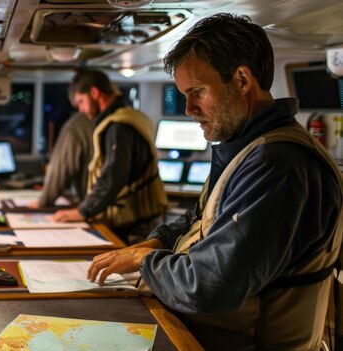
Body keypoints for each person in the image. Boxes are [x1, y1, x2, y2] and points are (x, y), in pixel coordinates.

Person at [86, 13, 343, 350]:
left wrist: (143, 262)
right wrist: (156, 242)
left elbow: (210, 285)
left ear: (241, 79)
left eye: (197, 92)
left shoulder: (277, 164)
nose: (189, 108)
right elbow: (200, 217)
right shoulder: (247, 146)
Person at [52, 69, 168, 244]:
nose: (81, 110)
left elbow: (113, 177)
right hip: (144, 216)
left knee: (134, 271)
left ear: (94, 93)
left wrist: (83, 211)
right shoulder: (134, 116)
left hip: (133, 223)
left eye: (81, 102)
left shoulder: (117, 127)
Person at [32, 111, 93, 207]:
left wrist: (43, 201)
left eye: (81, 101)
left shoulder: (76, 126)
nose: (80, 109)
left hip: (97, 210)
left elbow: (59, 170)